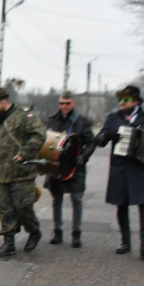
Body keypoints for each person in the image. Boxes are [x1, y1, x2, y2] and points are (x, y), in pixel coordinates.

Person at [94, 85, 144, 258]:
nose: (122, 102)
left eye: (126, 99)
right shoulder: (113, 119)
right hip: (120, 168)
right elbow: (99, 140)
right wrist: (109, 134)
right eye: (120, 99)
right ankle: (125, 242)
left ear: (136, 101)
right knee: (121, 205)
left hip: (140, 169)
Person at [0, 87, 45, 257]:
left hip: (22, 172)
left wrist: (25, 153)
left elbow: (39, 134)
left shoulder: (23, 116)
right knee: (6, 210)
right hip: (4, 173)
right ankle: (8, 243)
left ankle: (34, 231)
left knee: (23, 207)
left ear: (4, 102)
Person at [44, 91, 96, 247]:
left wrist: (84, 157)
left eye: (67, 103)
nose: (64, 106)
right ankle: (58, 232)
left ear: (74, 103)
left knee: (77, 199)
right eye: (61, 103)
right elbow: (46, 141)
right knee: (57, 200)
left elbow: (91, 142)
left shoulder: (82, 122)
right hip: (56, 166)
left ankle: (76, 234)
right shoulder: (52, 120)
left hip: (76, 166)